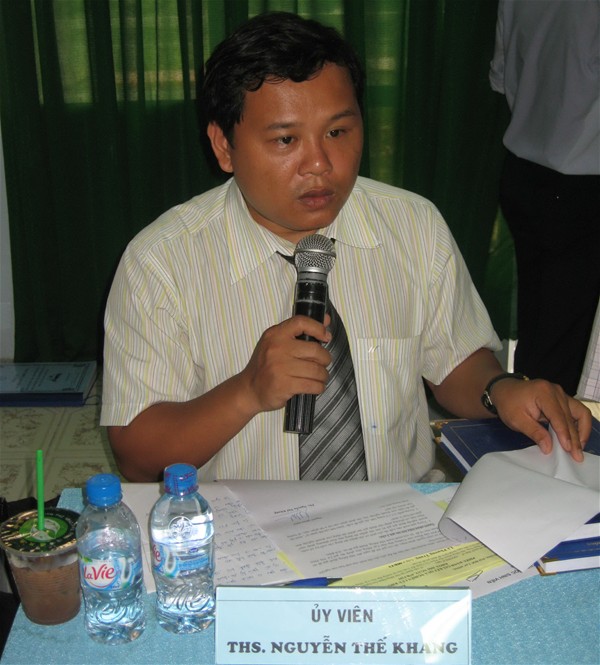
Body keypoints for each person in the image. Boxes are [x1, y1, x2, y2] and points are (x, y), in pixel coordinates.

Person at [100, 11, 591, 483]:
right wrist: (247, 391)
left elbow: (455, 362)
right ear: (224, 147)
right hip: (239, 522)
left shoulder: (414, 225)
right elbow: (137, 457)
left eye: (337, 132)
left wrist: (499, 389)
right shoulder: (161, 262)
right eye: (286, 140)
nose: (319, 163)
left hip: (394, 511)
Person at [489, 0, 600, 396]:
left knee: (541, 334)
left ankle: (531, 420)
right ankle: (544, 426)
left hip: (526, 171)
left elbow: (501, 77)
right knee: (568, 352)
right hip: (581, 180)